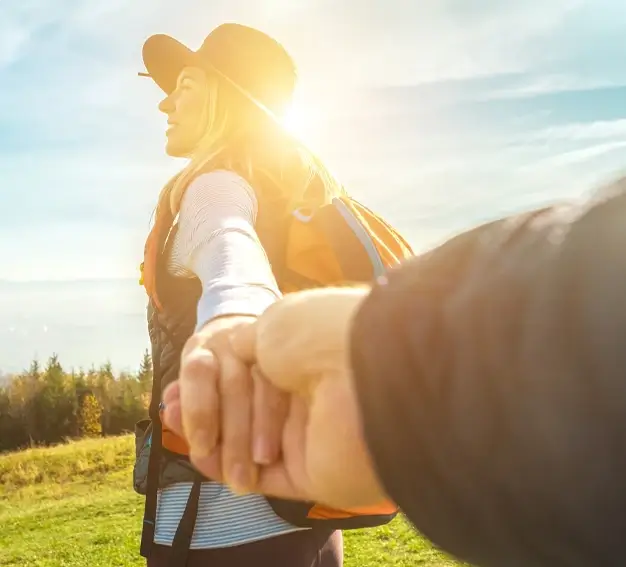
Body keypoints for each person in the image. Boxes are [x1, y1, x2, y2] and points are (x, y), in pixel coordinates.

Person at [164, 175, 626, 567]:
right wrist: (394, 382)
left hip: (221, 518)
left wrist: (236, 310)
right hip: (308, 499)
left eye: (184, 85)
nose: (168, 103)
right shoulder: (297, 190)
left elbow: (227, 237)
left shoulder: (218, 179)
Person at [133, 22, 345, 567]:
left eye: (183, 85)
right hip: (306, 526)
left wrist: (236, 327)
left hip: (221, 536)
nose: (165, 104)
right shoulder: (278, 200)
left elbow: (232, 258)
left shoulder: (214, 189)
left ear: (224, 95)